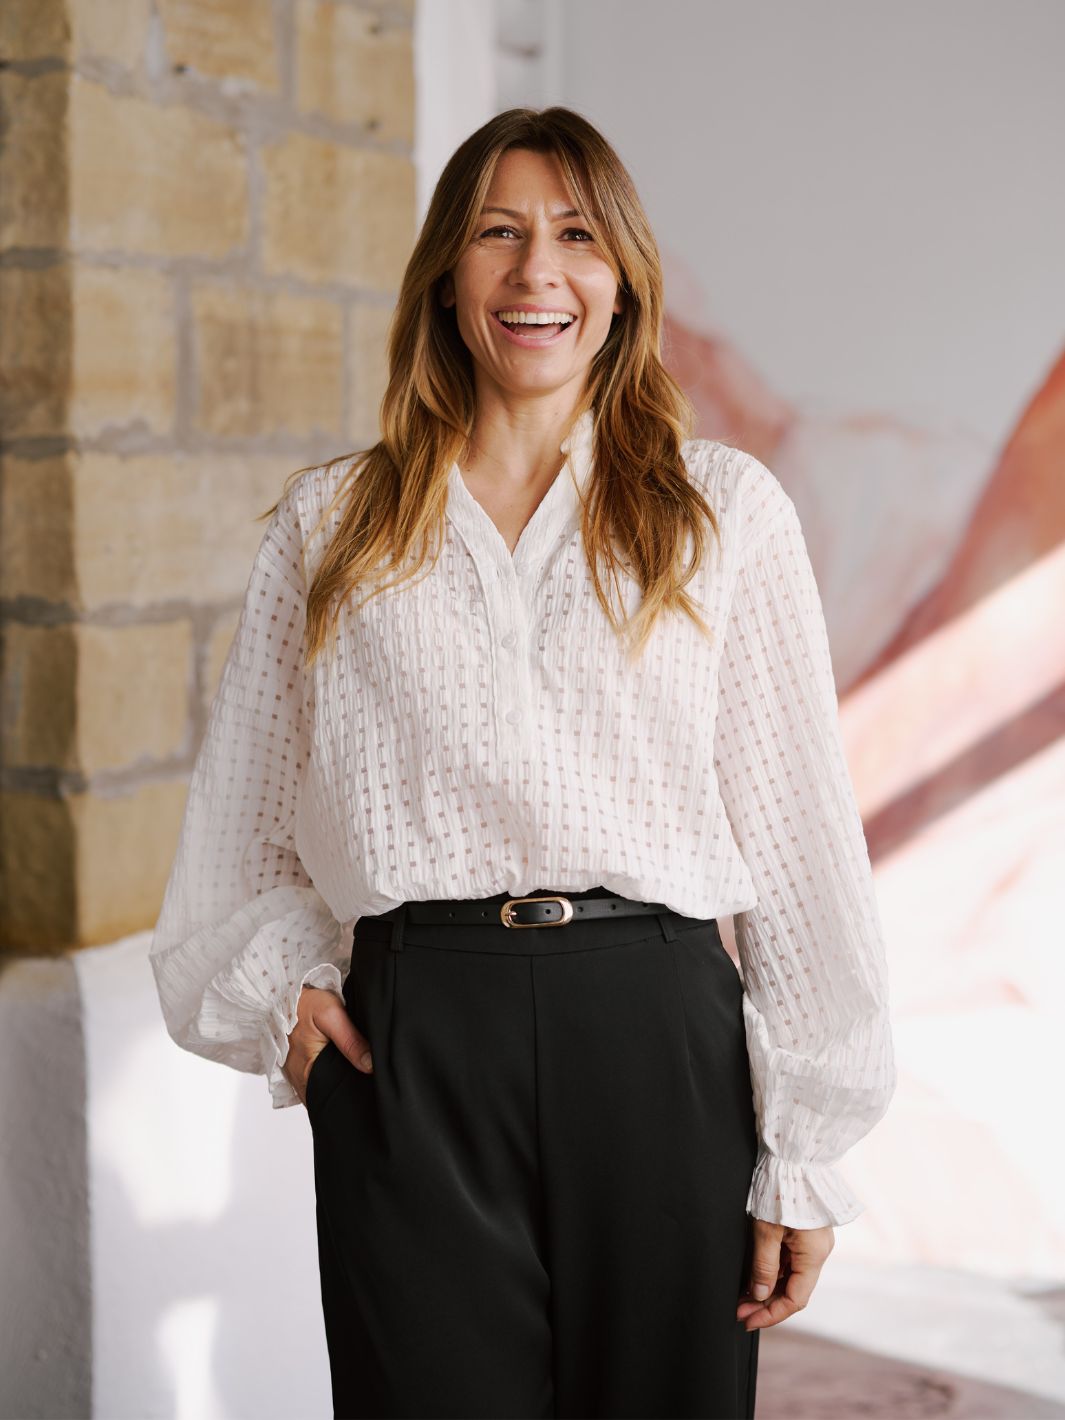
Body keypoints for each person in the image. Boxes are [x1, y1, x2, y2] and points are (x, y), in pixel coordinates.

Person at [149, 106, 897, 1420]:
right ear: (448, 271)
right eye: (498, 232)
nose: (535, 271)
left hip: (657, 1034)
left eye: (575, 235)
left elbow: (797, 841)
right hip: (413, 1044)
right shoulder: (333, 523)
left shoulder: (722, 511)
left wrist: (804, 1146)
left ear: (624, 279)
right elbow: (242, 829)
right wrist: (289, 1004)